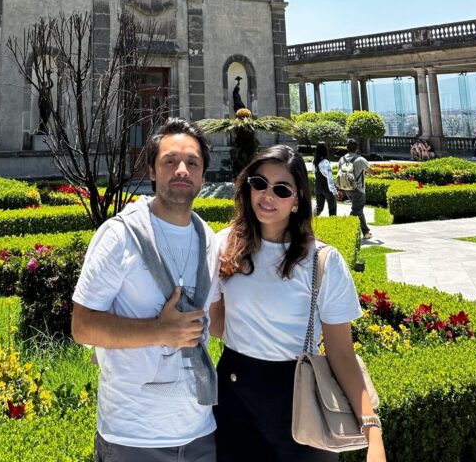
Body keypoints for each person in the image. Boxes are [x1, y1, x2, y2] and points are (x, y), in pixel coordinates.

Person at [210, 147, 385, 462]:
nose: (267, 195)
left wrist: (372, 431)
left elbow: (341, 354)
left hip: (301, 401)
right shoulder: (225, 245)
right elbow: (218, 323)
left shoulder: (321, 261)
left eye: (281, 189)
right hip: (234, 398)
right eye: (259, 183)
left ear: (297, 201)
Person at [72, 118, 219, 462]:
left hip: (200, 433)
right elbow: (82, 326)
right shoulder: (118, 235)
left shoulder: (210, 241)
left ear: (202, 175)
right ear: (152, 171)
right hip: (132, 438)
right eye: (170, 161)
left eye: (192, 163)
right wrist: (160, 331)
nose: (181, 170)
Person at [336, 139, 374, 240]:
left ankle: (366, 232)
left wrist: (340, 190)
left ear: (347, 148)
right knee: (356, 210)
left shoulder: (341, 159)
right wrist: (376, 172)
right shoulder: (360, 159)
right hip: (359, 190)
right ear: (357, 148)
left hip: (347, 189)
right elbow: (370, 171)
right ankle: (346, 229)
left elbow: (340, 175)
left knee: (359, 210)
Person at [311, 142, 337, 216]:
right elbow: (330, 179)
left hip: (318, 186)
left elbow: (315, 175)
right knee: (332, 208)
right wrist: (334, 192)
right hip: (327, 188)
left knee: (319, 208)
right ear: (325, 150)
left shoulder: (314, 161)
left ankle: (309, 221)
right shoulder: (325, 162)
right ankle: (332, 226)